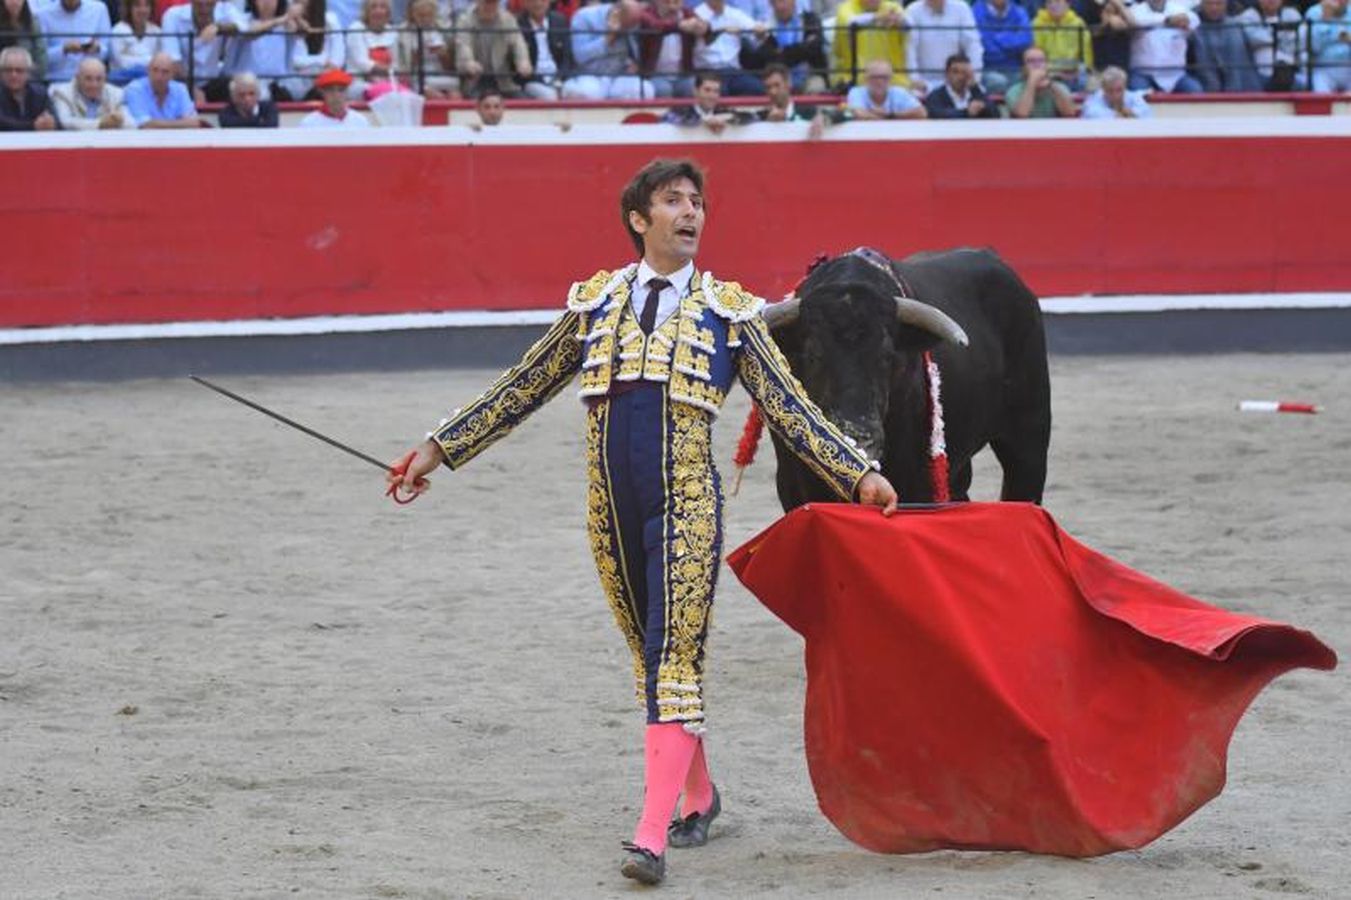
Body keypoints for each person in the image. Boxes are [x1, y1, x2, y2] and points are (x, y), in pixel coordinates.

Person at [387, 157, 899, 888]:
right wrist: (434, 450)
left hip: (687, 502)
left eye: (697, 202)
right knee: (648, 654)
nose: (690, 213)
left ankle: (649, 836)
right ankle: (697, 793)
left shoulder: (731, 311)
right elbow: (524, 385)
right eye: (672, 201)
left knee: (673, 658)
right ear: (639, 219)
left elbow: (790, 407)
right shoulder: (596, 303)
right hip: (610, 507)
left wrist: (859, 472)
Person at [162, 0, 247, 104]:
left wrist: (219, 28)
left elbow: (245, 28)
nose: (204, 9)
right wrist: (192, 89)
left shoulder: (225, 10)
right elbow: (173, 62)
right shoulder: (172, 15)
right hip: (182, 81)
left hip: (214, 82)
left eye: (208, 4)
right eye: (199, 4)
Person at [569, 0, 653, 100]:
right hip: (591, 75)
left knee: (646, 90)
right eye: (625, 26)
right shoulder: (584, 17)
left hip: (620, 75)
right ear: (616, 13)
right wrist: (608, 37)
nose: (628, 30)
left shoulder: (632, 22)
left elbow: (634, 52)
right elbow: (580, 56)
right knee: (588, 93)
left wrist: (633, 63)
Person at [740, 0, 829, 93]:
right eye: (776, 2)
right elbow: (766, 57)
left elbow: (814, 48)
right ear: (770, 4)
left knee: (816, 88)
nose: (781, 6)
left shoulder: (810, 19)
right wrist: (801, 49)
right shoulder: (765, 26)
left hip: (809, 75)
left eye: (784, 1)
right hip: (776, 77)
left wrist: (781, 52)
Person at [903, 0, 983, 96]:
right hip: (923, 84)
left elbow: (973, 45)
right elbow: (909, 50)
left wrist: (974, 77)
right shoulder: (912, 10)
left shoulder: (961, 8)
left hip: (958, 80)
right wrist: (914, 80)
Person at [832, 0, 914, 89]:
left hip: (894, 78)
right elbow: (849, 22)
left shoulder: (892, 7)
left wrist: (900, 20)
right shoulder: (846, 7)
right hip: (856, 79)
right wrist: (878, 17)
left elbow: (910, 24)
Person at [455, 0, 530, 97]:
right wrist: (468, 62)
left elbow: (518, 43)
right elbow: (463, 45)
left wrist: (523, 61)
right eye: (487, 2)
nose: (490, 6)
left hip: (503, 80)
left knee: (523, 102)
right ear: (477, 2)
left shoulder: (508, 19)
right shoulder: (465, 20)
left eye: (494, 2)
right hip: (476, 80)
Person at [692, 0, 766, 96]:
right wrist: (724, 30)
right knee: (719, 91)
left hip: (733, 72)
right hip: (707, 71)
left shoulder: (735, 14)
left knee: (757, 88)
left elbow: (758, 32)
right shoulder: (696, 14)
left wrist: (760, 31)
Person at [1126, 0, 1202, 94]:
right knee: (1140, 95)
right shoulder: (1135, 10)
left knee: (1195, 91)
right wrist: (1167, 20)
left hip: (1176, 75)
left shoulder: (1178, 9)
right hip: (1144, 73)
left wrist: (1186, 19)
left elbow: (1195, 20)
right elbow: (1136, 22)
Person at [236, 0, 305, 100]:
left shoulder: (285, 24)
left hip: (279, 86)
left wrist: (296, 17)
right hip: (248, 85)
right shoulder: (243, 20)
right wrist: (281, 19)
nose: (267, 2)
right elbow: (250, 32)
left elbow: (304, 32)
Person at [1192, 0, 1262, 92]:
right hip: (1204, 82)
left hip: (1239, 81)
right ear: (1201, 5)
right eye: (1209, 3)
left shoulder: (1236, 25)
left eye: (1218, 4)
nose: (1214, 8)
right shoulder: (1193, 25)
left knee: (1234, 32)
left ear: (1226, 5)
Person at [636, 0, 699, 98]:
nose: (671, 6)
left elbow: (703, 26)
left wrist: (702, 26)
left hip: (682, 75)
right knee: (663, 90)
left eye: (676, 2)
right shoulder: (647, 13)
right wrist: (679, 25)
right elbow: (655, 25)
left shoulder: (687, 14)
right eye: (667, 2)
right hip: (655, 74)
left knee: (693, 86)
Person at [1238, 0, 1305, 92]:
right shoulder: (1248, 16)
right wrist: (1283, 37)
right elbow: (1255, 39)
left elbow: (1301, 40)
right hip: (1261, 74)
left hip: (1292, 69)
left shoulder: (1292, 14)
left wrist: (1272, 40)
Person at [49, 56, 134, 128]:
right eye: (88, 79)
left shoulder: (117, 94)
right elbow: (65, 122)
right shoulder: (61, 93)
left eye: (99, 79)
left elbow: (131, 124)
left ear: (105, 79)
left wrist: (120, 120)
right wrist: (100, 123)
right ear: (77, 78)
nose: (94, 85)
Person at [38, 0, 110, 84]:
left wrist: (97, 49)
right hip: (58, 81)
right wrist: (63, 49)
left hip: (92, 80)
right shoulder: (43, 14)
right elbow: (40, 58)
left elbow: (107, 51)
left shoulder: (99, 9)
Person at [123, 49, 202, 126]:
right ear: (148, 70)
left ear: (172, 75)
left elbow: (194, 123)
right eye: (155, 70)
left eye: (165, 72)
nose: (159, 77)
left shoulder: (180, 89)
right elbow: (145, 125)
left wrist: (156, 123)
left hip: (176, 139)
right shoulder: (135, 89)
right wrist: (180, 122)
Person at [758, 60, 836, 137]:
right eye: (768, 87)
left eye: (777, 85)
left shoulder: (807, 112)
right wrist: (767, 124)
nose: (772, 92)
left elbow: (846, 113)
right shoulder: (761, 116)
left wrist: (824, 118)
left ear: (788, 83)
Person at [515, 0, 574, 100]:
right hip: (533, 80)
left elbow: (567, 57)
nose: (538, 3)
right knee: (550, 97)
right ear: (524, 3)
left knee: (579, 93)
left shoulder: (559, 20)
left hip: (559, 78)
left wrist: (559, 78)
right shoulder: (517, 24)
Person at [399, 0, 456, 98]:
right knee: (435, 96)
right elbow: (405, 66)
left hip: (440, 74)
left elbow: (449, 67)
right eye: (421, 15)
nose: (425, 19)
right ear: (413, 14)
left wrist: (443, 55)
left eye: (429, 15)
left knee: (455, 94)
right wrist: (419, 53)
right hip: (417, 77)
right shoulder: (404, 31)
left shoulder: (442, 29)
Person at [971, 0, 1031, 94]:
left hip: (1015, 67)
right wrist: (1011, 38)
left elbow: (1025, 40)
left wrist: (997, 38)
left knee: (1028, 80)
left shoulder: (1020, 12)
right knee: (998, 82)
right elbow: (986, 47)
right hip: (986, 67)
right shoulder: (975, 12)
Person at [1031, 0, 1092, 90]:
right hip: (1047, 70)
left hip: (1072, 69)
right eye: (1049, 2)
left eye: (1058, 2)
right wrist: (1053, 72)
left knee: (1084, 78)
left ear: (1068, 4)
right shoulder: (1037, 23)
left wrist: (1080, 70)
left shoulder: (1078, 23)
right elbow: (1035, 53)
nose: (1053, 5)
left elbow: (1086, 53)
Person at [662, 71, 753, 131]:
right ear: (695, 91)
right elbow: (667, 118)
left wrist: (731, 120)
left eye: (716, 91)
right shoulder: (682, 111)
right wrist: (703, 121)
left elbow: (751, 117)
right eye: (707, 90)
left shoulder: (723, 111)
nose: (712, 96)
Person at [290, 0, 345, 98]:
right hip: (299, 81)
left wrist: (324, 70)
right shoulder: (289, 23)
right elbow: (294, 61)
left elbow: (337, 60)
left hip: (327, 78)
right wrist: (322, 60)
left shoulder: (331, 20)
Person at [348, 0, 401, 98]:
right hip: (361, 82)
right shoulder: (356, 28)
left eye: (383, 7)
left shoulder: (393, 32)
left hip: (390, 81)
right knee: (390, 93)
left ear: (388, 12)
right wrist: (389, 70)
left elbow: (396, 63)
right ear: (366, 11)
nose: (378, 11)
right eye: (373, 7)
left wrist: (391, 72)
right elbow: (361, 62)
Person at [1006, 43, 1077, 117]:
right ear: (1023, 68)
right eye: (1031, 61)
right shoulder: (1014, 91)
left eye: (1041, 60)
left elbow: (1070, 114)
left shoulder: (1060, 87)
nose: (1037, 65)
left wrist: (1051, 85)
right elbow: (1021, 116)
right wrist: (1032, 83)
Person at [844, 56, 927, 117]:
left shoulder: (899, 92)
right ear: (866, 79)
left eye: (884, 77)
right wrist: (889, 119)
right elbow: (857, 114)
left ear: (891, 79)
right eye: (874, 77)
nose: (879, 81)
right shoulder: (856, 92)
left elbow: (922, 113)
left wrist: (890, 115)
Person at [923, 51, 997, 117]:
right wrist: (966, 112)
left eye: (965, 72)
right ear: (947, 74)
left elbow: (996, 115)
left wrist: (975, 89)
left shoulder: (977, 93)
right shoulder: (936, 96)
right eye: (956, 72)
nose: (960, 77)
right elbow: (938, 115)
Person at [0, 44, 56, 129]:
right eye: (8, 70)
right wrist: (33, 126)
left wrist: (50, 122)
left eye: (19, 70)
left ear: (28, 73)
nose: (13, 75)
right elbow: (3, 124)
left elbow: (57, 123)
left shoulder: (40, 94)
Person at [298, 64, 371, 125]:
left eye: (341, 90)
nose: (336, 95)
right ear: (322, 92)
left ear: (347, 91)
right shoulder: (309, 123)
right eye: (330, 90)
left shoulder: (360, 121)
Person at [109, 0, 161, 84]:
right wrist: (150, 60)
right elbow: (122, 63)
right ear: (129, 8)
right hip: (121, 83)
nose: (143, 10)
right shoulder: (118, 30)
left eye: (147, 5)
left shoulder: (157, 31)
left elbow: (160, 63)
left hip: (150, 83)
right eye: (137, 5)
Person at [1306, 0, 1351, 93]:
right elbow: (1313, 47)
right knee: (1321, 94)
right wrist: (1325, 20)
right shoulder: (1314, 12)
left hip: (1349, 65)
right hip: (1323, 68)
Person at [0, 0, 48, 82]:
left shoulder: (32, 22)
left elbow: (41, 56)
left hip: (29, 80)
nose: (14, 2)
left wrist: (24, 75)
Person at [1081, 63, 1151, 116]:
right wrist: (1122, 115)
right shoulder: (1092, 101)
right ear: (1103, 89)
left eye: (1119, 90)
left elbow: (1147, 114)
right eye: (1110, 91)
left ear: (1125, 87)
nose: (1115, 95)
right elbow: (1093, 114)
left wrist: (1132, 113)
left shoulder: (1134, 98)